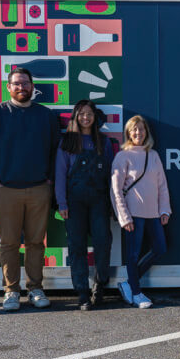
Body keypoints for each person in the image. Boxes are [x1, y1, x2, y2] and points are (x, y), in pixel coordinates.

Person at [0, 68, 60, 312]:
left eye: (26, 83)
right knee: (9, 243)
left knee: (35, 243)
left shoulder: (46, 116)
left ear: (33, 87)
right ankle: (11, 290)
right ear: (8, 87)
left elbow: (56, 151)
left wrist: (50, 181)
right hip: (5, 190)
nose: (21, 87)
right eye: (16, 84)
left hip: (39, 189)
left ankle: (35, 288)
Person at [55, 100, 115, 311]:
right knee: (77, 246)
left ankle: (100, 285)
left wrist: (112, 203)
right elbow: (60, 175)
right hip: (74, 202)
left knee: (102, 242)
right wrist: (61, 202)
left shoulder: (104, 142)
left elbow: (110, 175)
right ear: (75, 117)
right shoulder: (67, 142)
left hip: (99, 200)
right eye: (81, 114)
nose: (86, 118)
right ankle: (82, 293)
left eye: (89, 114)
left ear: (95, 117)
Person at [110, 115, 172, 309]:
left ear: (147, 132)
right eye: (134, 130)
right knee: (133, 254)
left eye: (141, 129)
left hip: (153, 213)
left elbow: (162, 185)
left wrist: (164, 209)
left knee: (160, 248)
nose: (138, 133)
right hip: (133, 215)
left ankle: (129, 283)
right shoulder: (123, 156)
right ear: (128, 133)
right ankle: (136, 293)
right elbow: (115, 189)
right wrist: (124, 217)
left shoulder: (153, 155)